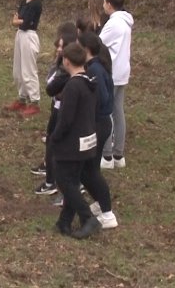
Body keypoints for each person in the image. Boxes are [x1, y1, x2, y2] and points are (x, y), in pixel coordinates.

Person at [48, 43, 101, 239]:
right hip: (86, 141)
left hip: (71, 145)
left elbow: (66, 119)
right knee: (72, 181)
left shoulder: (73, 86)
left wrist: (55, 137)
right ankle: (64, 223)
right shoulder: (89, 81)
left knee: (64, 182)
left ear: (66, 61)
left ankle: (88, 218)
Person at [78, 32, 118, 229]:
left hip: (98, 124)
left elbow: (100, 97)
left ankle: (108, 213)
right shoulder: (97, 66)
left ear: (86, 50)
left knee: (90, 171)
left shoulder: (94, 69)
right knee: (87, 170)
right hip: (100, 123)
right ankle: (99, 204)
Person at [34, 30, 77, 195]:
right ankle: (52, 179)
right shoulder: (60, 63)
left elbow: (52, 88)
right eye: (58, 46)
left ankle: (56, 184)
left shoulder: (67, 70)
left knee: (55, 145)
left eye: (62, 47)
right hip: (56, 107)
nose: (59, 49)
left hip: (61, 110)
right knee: (52, 143)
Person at [99, 0, 134, 169]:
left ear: (109, 5)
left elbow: (98, 43)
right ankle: (118, 154)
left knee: (106, 112)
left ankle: (106, 156)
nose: (103, 5)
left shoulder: (114, 24)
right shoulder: (126, 22)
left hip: (112, 73)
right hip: (123, 72)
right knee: (118, 111)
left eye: (104, 3)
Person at [3, 0, 43, 117]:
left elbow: (26, 23)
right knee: (18, 70)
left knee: (28, 70)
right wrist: (18, 21)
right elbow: (17, 18)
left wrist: (18, 21)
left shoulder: (36, 4)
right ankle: (22, 99)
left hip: (29, 37)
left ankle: (34, 102)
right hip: (20, 35)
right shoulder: (23, 1)